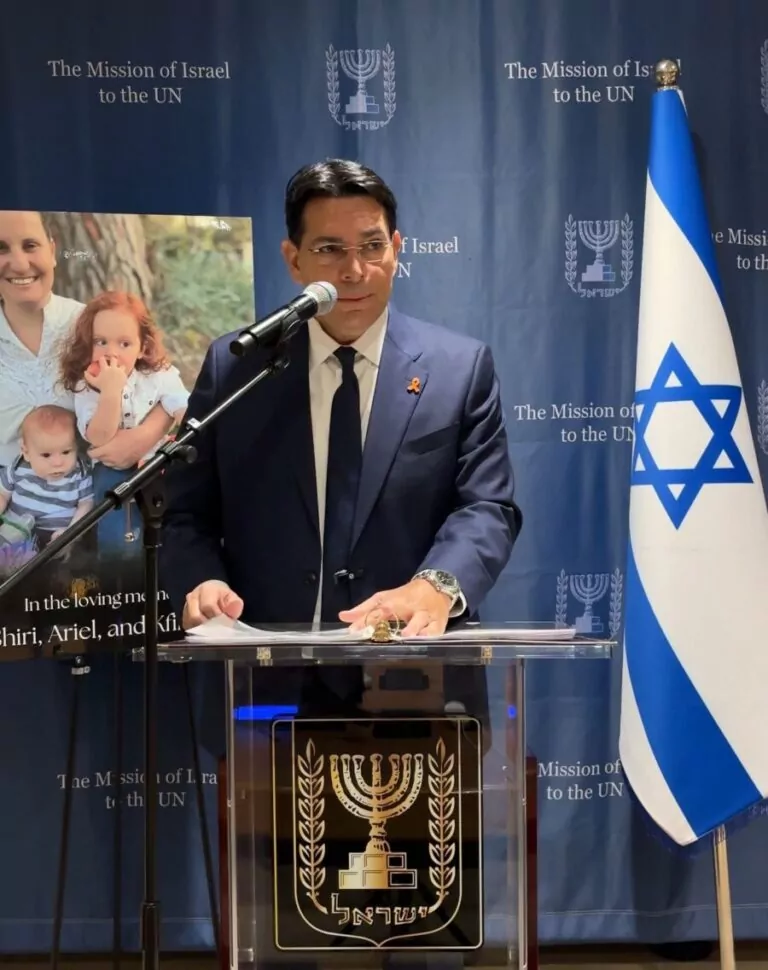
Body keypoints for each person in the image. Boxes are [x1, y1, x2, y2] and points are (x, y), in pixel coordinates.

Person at [161, 157, 521, 682]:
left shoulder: (459, 369)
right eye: (329, 250)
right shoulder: (238, 367)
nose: (353, 271)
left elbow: (487, 506)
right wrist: (200, 582)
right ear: (294, 260)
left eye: (372, 247)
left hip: (414, 676)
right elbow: (184, 514)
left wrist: (438, 585)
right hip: (264, 681)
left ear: (396, 251)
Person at [0, 210, 174, 477]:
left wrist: (143, 437)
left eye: (30, 245)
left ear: (52, 250)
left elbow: (162, 385)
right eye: (1, 249)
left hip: (100, 500)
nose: (20, 264)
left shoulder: (95, 328)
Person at [58, 289, 188, 551]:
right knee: (119, 530)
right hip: (111, 468)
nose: (111, 352)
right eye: (100, 342)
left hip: (157, 460)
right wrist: (110, 391)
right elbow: (98, 436)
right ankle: (119, 567)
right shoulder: (86, 385)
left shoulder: (159, 375)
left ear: (143, 348)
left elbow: (183, 407)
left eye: (124, 344)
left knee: (170, 517)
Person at [0, 404, 93, 547]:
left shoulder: (79, 473)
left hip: (54, 538)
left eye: (66, 452)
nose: (57, 462)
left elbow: (86, 504)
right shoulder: (19, 467)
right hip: (13, 530)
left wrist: (71, 533)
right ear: (26, 452)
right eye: (46, 455)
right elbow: (3, 494)